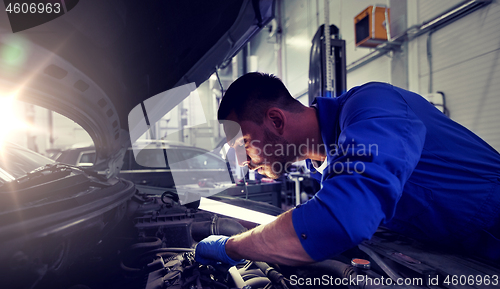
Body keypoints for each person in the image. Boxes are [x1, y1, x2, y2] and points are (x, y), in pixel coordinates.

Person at [195, 72, 500, 266]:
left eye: (243, 144)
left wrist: (233, 247)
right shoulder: (327, 167)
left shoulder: (374, 108)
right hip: (470, 256)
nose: (243, 162)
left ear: (276, 121)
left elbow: (340, 217)